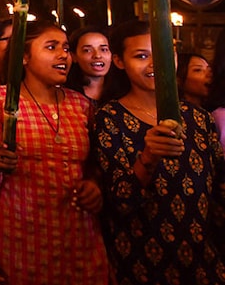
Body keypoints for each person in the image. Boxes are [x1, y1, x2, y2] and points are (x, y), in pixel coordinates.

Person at [0, 21, 109, 285]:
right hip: (23, 238)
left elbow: (94, 163)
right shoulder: (0, 101)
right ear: (24, 57)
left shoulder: (81, 104)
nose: (63, 55)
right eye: (51, 47)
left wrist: (94, 184)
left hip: (80, 234)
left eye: (66, 48)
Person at [94, 20, 225, 284]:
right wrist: (148, 158)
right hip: (143, 260)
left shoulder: (198, 117)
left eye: (165, 53)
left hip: (203, 256)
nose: (156, 64)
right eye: (141, 56)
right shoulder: (109, 119)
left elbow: (219, 188)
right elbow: (120, 202)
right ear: (119, 61)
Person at [65, 26, 111, 103]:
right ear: (74, 56)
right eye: (87, 50)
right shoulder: (64, 95)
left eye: (103, 49)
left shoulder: (123, 92)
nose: (97, 55)